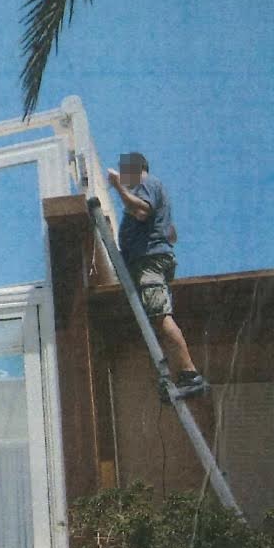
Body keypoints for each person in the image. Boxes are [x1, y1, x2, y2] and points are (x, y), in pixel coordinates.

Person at [107, 152, 209, 399]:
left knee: (161, 317)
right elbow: (171, 234)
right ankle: (179, 374)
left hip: (149, 261)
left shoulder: (146, 182)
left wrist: (118, 187)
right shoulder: (153, 188)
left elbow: (142, 211)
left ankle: (190, 375)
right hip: (151, 259)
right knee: (157, 317)